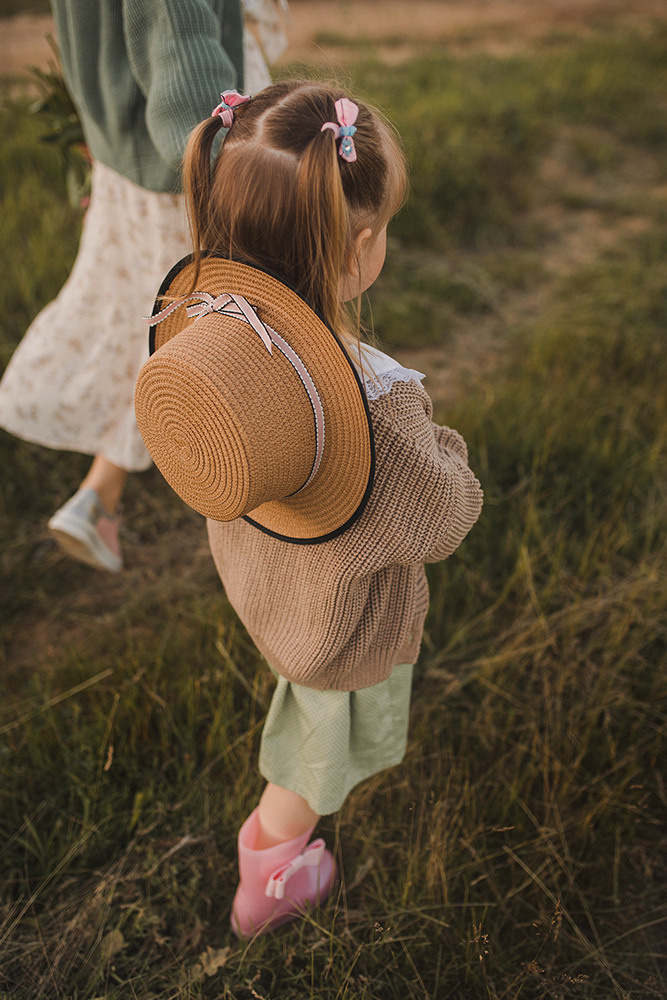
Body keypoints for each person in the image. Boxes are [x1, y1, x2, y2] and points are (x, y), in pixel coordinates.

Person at [134, 81, 484, 937]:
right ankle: (268, 879)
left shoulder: (209, 331)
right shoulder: (375, 400)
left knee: (306, 718)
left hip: (268, 586)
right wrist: (449, 453)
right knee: (312, 755)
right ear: (361, 245)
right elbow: (445, 515)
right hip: (338, 625)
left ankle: (278, 854)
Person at [0, 0, 287, 572]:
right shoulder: (203, 148)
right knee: (217, 330)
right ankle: (271, 515)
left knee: (142, 313)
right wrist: (221, 162)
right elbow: (178, 39)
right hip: (187, 159)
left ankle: (98, 498)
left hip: (127, 145)